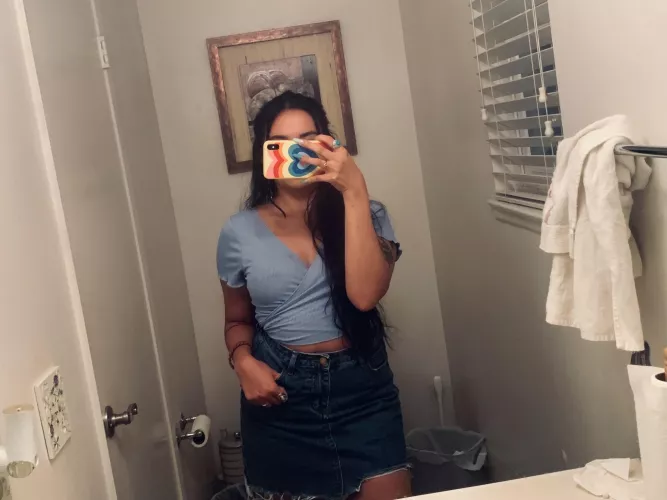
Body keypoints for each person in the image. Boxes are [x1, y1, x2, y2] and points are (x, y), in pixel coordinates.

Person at [217, 91, 409, 500]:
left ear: (329, 145)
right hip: (281, 404)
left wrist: (354, 190)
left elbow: (364, 296)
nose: (297, 153)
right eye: (281, 143)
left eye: (308, 140)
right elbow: (237, 320)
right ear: (264, 154)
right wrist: (243, 362)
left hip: (364, 397)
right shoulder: (238, 233)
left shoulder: (369, 214)